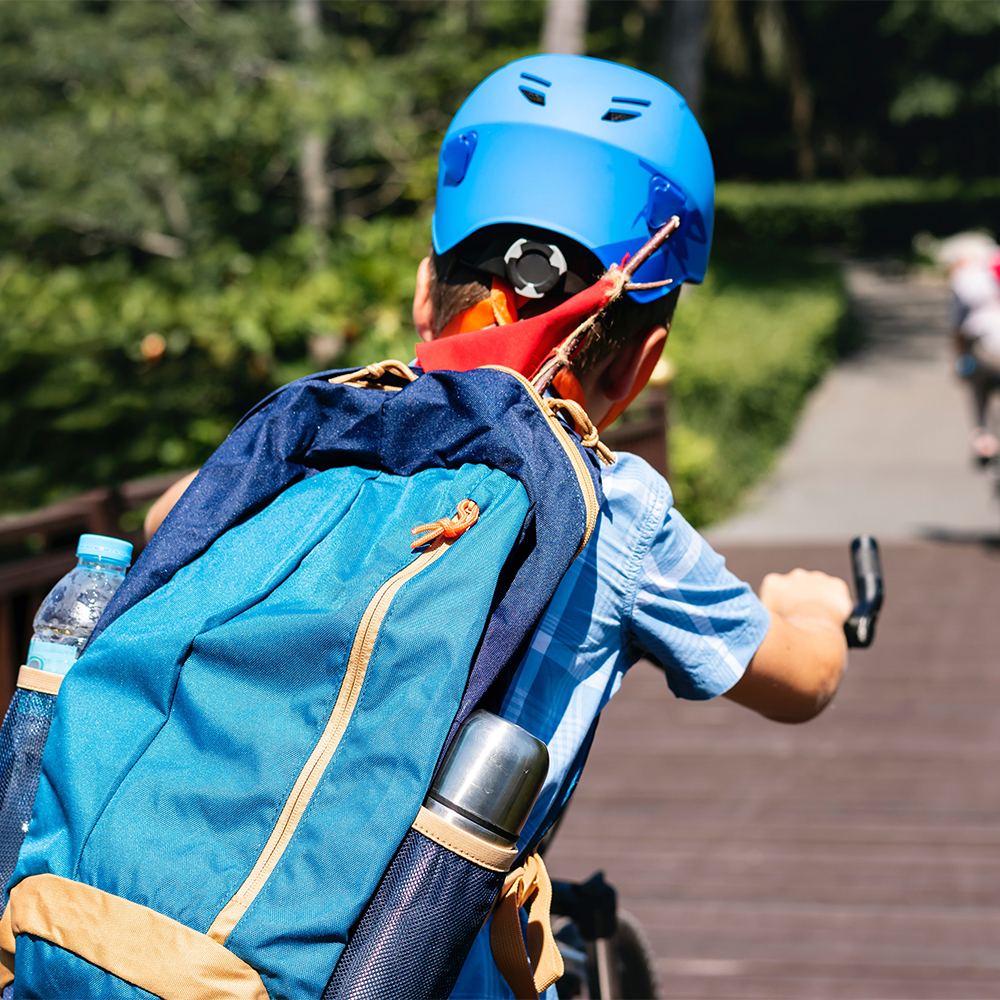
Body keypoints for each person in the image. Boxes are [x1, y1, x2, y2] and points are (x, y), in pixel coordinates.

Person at [147, 54, 853, 1000]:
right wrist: (818, 614)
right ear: (645, 360)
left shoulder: (322, 432)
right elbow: (799, 683)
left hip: (149, 932)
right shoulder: (621, 513)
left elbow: (167, 522)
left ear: (420, 294)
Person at [935, 231, 1000, 464]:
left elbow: (958, 329)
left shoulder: (966, 280)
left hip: (987, 352)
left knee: (978, 387)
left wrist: (960, 359)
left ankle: (983, 437)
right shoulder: (994, 267)